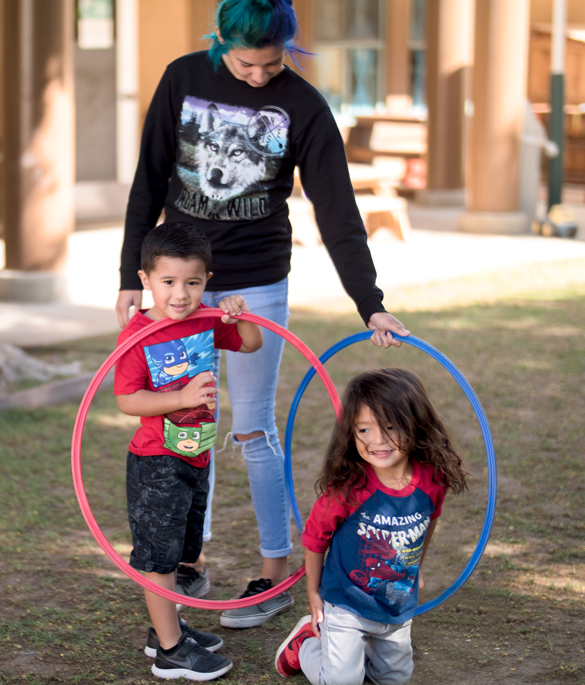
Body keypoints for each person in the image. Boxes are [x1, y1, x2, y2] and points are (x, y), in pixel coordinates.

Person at [116, 0, 410, 628]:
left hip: (256, 283)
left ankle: (276, 573)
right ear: (219, 41)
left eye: (272, 63)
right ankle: (188, 559)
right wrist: (129, 278)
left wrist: (371, 304)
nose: (258, 75)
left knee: (251, 429)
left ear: (289, 49)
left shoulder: (302, 104)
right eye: (247, 63)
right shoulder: (182, 78)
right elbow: (149, 179)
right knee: (187, 423)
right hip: (181, 284)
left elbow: (337, 210)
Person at [114, 222, 262, 680]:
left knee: (178, 550)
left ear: (207, 282)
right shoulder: (138, 336)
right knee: (158, 559)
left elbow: (251, 345)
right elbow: (127, 400)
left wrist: (242, 316)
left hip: (196, 457)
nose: (181, 294)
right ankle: (171, 652)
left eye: (193, 282)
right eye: (168, 282)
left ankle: (165, 630)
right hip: (156, 461)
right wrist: (180, 400)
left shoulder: (204, 321)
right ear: (146, 280)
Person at [275, 368, 469, 684]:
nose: (377, 440)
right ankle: (307, 645)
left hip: (395, 602)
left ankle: (355, 655)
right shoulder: (349, 487)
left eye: (391, 427)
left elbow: (428, 522)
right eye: (364, 430)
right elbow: (314, 538)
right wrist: (313, 593)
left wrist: (416, 567)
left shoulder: (432, 479)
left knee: (394, 678)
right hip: (345, 601)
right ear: (350, 433)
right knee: (340, 682)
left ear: (416, 425)